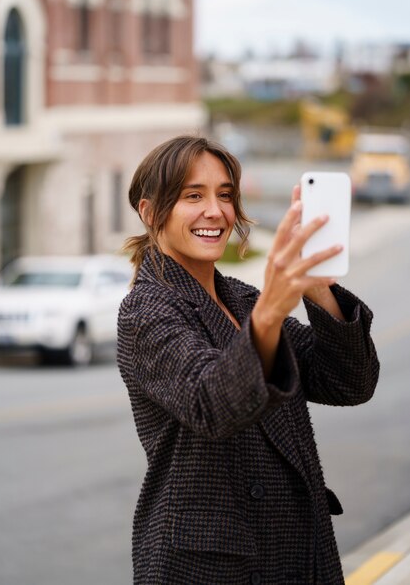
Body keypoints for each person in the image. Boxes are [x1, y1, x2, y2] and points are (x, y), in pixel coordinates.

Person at [117, 135, 379, 585]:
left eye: (225, 195)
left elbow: (348, 383)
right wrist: (273, 311)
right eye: (192, 196)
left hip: (294, 552)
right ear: (149, 211)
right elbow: (211, 403)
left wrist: (316, 287)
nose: (215, 212)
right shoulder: (146, 310)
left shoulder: (240, 297)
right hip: (210, 566)